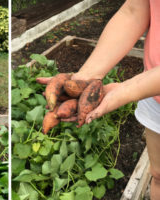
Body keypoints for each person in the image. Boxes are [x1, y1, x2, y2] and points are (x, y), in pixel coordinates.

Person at [37, 0, 160, 199]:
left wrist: (128, 89)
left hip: (146, 85)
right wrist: (87, 76)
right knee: (158, 174)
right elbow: (135, 10)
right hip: (153, 92)